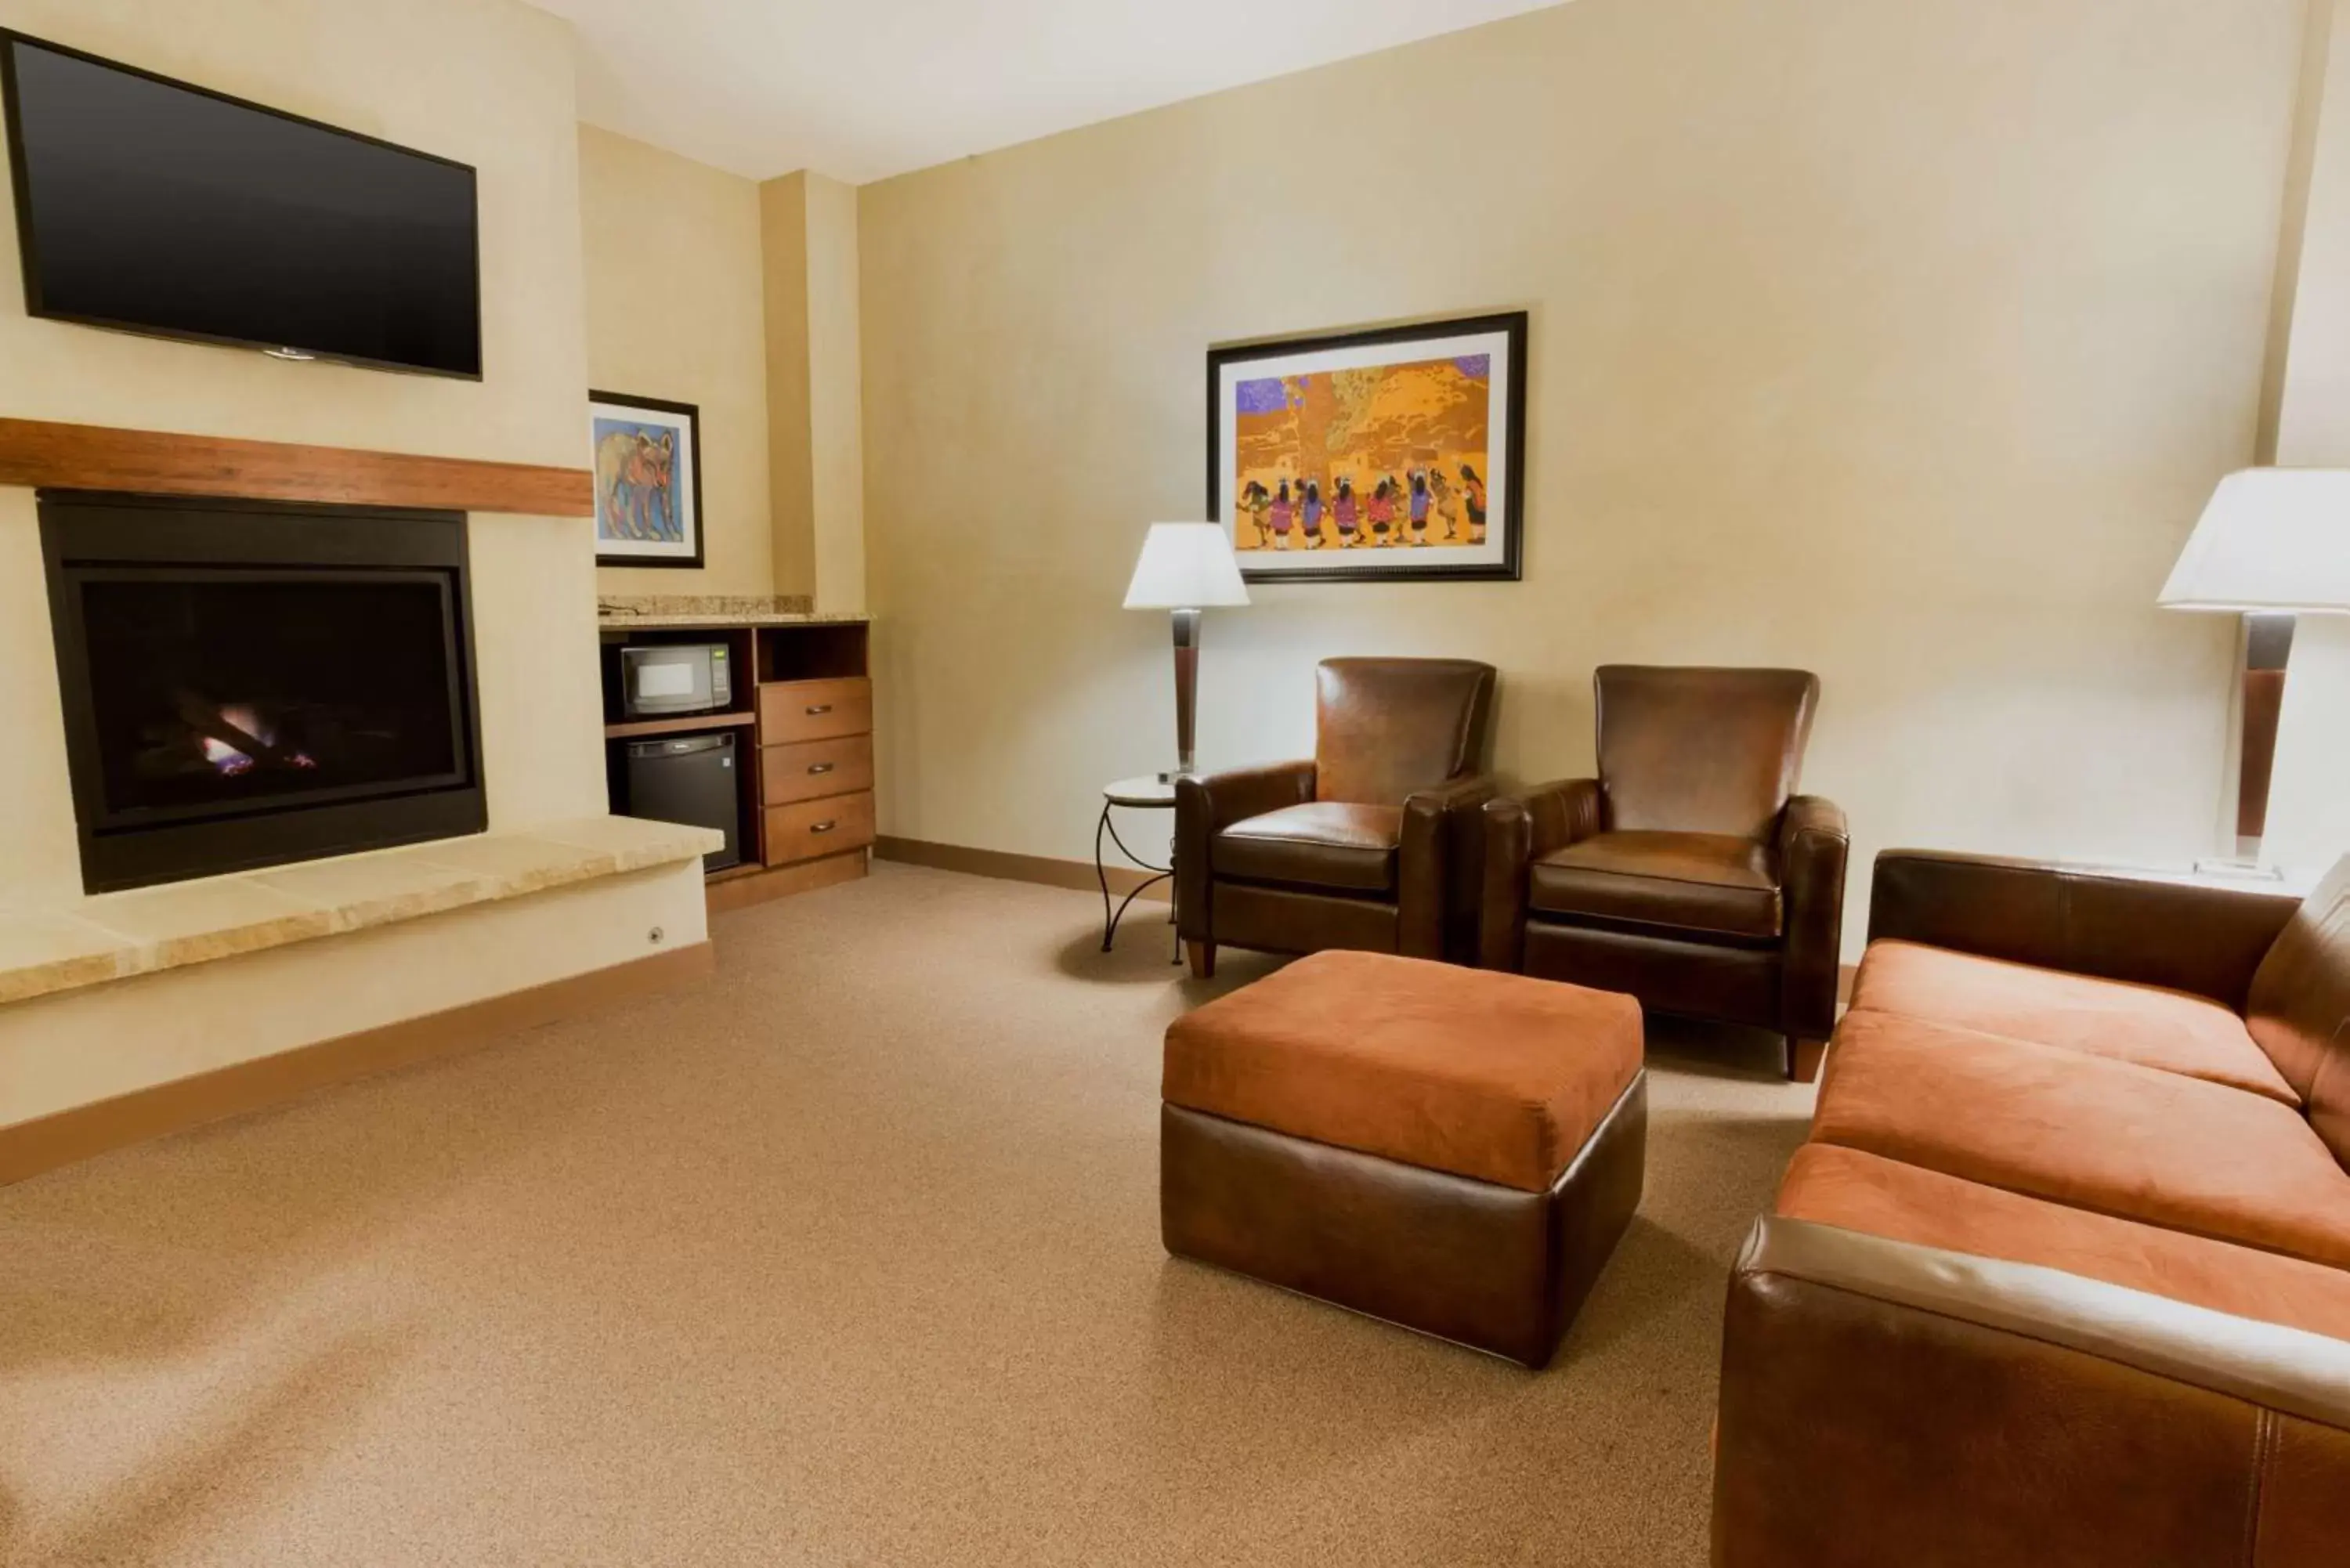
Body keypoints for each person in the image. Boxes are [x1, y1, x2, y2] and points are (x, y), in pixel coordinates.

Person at [1430, 469, 1460, 541]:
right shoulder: (1433, 483)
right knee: (1448, 515)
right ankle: (1451, 530)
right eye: (1434, 475)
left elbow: (1447, 487)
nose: (1435, 476)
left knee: (1452, 516)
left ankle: (1451, 530)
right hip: (1443, 500)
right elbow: (1437, 492)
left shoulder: (1442, 480)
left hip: (1448, 499)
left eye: (1436, 475)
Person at [1460, 463, 1488, 544]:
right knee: (1481, 521)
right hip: (1482, 505)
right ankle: (1481, 537)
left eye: (1463, 475)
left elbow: (1467, 495)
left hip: (1475, 506)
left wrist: (1459, 492)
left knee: (1476, 521)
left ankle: (1478, 538)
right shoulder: (1477, 481)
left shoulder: (1470, 484)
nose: (1462, 477)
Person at [1240, 479, 1271, 549]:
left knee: (1260, 527)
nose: (1251, 489)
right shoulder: (1262, 492)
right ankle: (1265, 537)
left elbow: (1255, 504)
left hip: (1260, 511)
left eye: (1251, 488)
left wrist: (1244, 508)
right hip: (1264, 510)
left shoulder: (1257, 494)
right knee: (1262, 525)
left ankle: (1264, 540)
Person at [1331, 476, 1360, 547]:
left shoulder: (1336, 495)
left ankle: (1345, 543)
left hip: (1341, 520)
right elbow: (1354, 504)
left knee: (1343, 532)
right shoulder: (1351, 492)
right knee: (1350, 531)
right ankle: (1349, 543)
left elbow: (1334, 506)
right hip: (1351, 519)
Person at [1367, 477, 1396, 547]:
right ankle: (1384, 541)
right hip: (1385, 521)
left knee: (1379, 534)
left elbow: (1370, 508)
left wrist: (1371, 519)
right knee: (1384, 531)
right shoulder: (1387, 498)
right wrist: (1391, 518)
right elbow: (1390, 510)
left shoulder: (1372, 497)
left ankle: (1379, 543)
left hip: (1375, 521)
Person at [1266, 478, 1293, 550]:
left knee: (1278, 532)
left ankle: (1279, 546)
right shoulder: (1288, 498)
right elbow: (1291, 506)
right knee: (1285, 532)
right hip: (1286, 518)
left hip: (1278, 518)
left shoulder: (1276, 496)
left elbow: (1270, 503)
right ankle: (1285, 545)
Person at [1408, 470, 1432, 546]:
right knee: (1422, 527)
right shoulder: (1427, 492)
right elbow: (1431, 501)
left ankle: (1417, 541)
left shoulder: (1413, 492)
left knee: (1416, 529)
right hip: (1423, 515)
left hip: (1414, 516)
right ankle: (1421, 540)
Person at [1301, 479, 1325, 547]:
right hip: (1316, 526)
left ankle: (1310, 545)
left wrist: (1303, 522)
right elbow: (1322, 513)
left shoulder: (1305, 502)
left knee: (1310, 542)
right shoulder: (1319, 502)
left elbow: (1303, 513)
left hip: (1307, 527)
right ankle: (1316, 542)